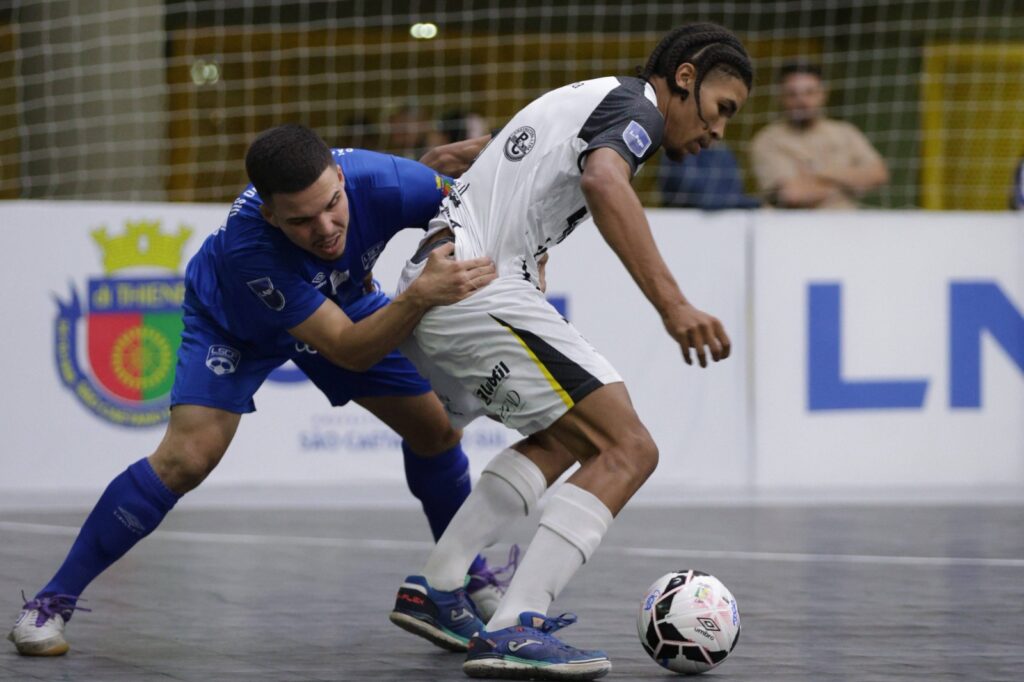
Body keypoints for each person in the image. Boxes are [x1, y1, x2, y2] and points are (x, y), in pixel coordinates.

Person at [7, 124, 501, 657]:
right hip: (235, 324)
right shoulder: (252, 249)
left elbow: (482, 206)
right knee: (186, 460)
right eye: (301, 221)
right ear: (270, 215)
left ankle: (461, 572)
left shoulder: (386, 180)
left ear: (340, 178)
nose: (326, 228)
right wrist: (417, 297)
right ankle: (49, 604)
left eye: (333, 205)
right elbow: (350, 351)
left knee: (437, 432)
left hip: (337, 306)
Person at [387, 23, 752, 680]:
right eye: (721, 110)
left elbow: (486, 154)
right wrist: (675, 306)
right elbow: (605, 182)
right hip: (475, 286)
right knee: (629, 449)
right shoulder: (635, 107)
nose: (720, 131)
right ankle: (516, 623)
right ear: (686, 79)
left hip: (435, 290)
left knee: (565, 436)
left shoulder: (588, 100)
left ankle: (439, 588)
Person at [749, 61, 888, 209]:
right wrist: (850, 181)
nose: (801, 101)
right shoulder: (767, 140)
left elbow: (879, 174)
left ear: (823, 94)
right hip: (793, 227)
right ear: (780, 97)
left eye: (809, 92)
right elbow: (793, 195)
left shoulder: (845, 131)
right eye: (792, 94)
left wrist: (821, 173)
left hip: (847, 225)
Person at [658, 142, 760, 209]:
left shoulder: (724, 153)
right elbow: (705, 200)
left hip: (724, 229)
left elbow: (736, 191)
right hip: (683, 228)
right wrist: (750, 203)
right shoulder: (679, 149)